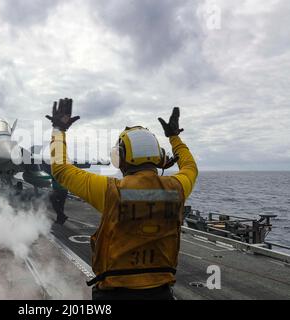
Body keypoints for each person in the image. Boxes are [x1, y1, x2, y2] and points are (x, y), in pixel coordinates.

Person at [46, 98, 198, 300]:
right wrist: (174, 139)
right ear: (160, 157)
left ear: (122, 157)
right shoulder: (177, 188)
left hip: (115, 294)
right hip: (161, 293)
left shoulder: (110, 191)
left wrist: (58, 130)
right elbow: (190, 168)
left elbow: (61, 169)